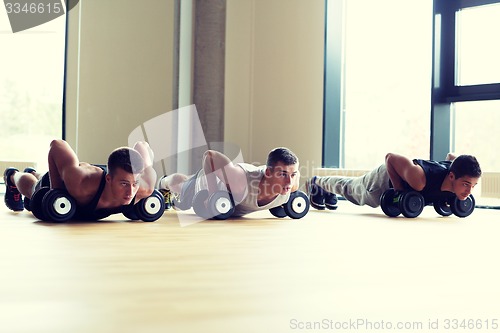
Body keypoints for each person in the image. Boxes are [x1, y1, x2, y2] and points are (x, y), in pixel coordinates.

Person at [3, 139, 157, 220]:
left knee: (37, 176)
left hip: (98, 181)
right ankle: (12, 176)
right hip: (68, 183)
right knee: (34, 187)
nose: (131, 191)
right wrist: (56, 191)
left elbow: (141, 145)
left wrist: (143, 161)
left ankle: (34, 172)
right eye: (124, 184)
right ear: (109, 179)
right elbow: (57, 145)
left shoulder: (144, 188)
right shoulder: (81, 184)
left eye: (134, 183)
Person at [158, 147, 300, 217]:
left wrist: (290, 175)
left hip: (230, 184)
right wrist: (212, 194)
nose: (289, 181)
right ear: (268, 173)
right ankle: (164, 182)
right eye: (283, 174)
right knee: (181, 185)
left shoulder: (291, 184)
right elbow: (210, 156)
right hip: (205, 183)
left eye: (293, 174)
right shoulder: (241, 182)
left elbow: (293, 177)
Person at [306, 153, 482, 209]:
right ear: (452, 176)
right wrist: (399, 191)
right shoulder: (419, 179)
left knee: (349, 187)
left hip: (402, 178)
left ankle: (323, 188)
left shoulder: (454, 170)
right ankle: (317, 183)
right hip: (382, 182)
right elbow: (390, 157)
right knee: (350, 188)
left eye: (473, 186)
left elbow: (452, 156)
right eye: (466, 185)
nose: (469, 192)